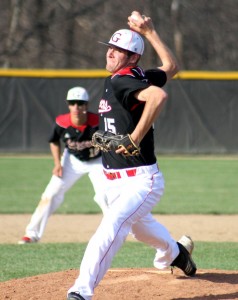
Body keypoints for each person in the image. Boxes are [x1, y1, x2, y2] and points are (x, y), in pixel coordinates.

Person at [67, 11, 197, 300]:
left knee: (111, 227)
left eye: (119, 50)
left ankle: (81, 291)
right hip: (113, 180)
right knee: (140, 229)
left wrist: (135, 137)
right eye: (110, 48)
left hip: (140, 180)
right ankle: (177, 254)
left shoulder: (122, 80)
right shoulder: (136, 75)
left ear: (133, 58)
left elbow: (158, 97)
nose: (111, 53)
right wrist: (149, 31)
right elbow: (171, 66)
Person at [18, 86, 107, 244]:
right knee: (50, 194)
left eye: (80, 103)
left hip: (97, 161)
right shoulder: (62, 122)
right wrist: (57, 163)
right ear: (68, 105)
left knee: (104, 196)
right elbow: (54, 141)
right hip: (72, 160)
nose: (76, 107)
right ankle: (31, 234)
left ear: (86, 105)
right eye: (72, 103)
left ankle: (114, 232)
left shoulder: (98, 122)